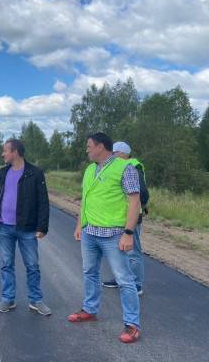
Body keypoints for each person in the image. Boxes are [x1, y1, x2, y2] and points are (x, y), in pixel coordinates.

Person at [69, 133, 141, 344]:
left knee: (124, 279)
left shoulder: (125, 168)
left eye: (89, 146)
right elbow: (85, 199)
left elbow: (134, 203)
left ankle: (132, 324)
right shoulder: (90, 169)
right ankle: (90, 309)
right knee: (89, 272)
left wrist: (128, 233)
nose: (87, 149)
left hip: (114, 235)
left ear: (101, 146)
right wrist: (79, 224)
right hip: (90, 233)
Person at [0, 139, 51, 316]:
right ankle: (8, 298)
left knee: (32, 265)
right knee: (6, 264)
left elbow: (43, 202)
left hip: (27, 228)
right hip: (5, 227)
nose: (2, 154)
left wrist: (42, 226)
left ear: (15, 152)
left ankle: (36, 300)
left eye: (5, 151)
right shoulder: (1, 173)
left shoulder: (35, 173)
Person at [102, 141, 149, 295]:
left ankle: (136, 284)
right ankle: (121, 279)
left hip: (132, 217)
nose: (112, 156)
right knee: (121, 250)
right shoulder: (120, 167)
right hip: (120, 216)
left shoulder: (133, 167)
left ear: (123, 153)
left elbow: (142, 194)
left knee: (133, 251)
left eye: (114, 153)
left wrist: (138, 207)